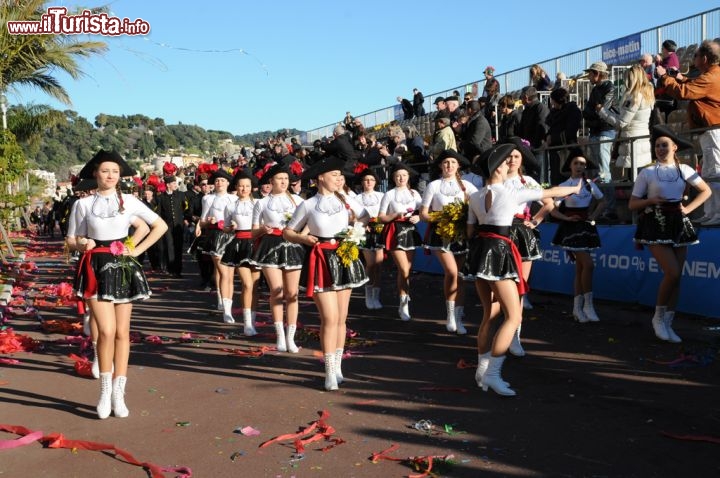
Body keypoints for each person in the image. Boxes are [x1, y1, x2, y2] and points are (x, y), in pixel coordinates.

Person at [466, 144, 582, 396]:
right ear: (496, 169)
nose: (508, 164)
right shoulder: (510, 193)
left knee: (488, 314)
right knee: (513, 316)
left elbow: (469, 231)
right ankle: (493, 374)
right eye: (503, 163)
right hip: (498, 253)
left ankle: (482, 370)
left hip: (479, 252)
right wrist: (574, 188)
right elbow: (550, 192)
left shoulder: (474, 196)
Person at [66, 150, 168, 419]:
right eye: (104, 171)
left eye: (115, 171)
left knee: (123, 332)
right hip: (94, 267)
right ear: (95, 174)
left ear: (120, 176)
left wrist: (134, 249)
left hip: (122, 267)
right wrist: (81, 243)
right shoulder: (83, 205)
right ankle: (103, 391)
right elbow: (70, 239)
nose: (110, 176)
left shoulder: (131, 201)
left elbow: (160, 226)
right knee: (107, 331)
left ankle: (118, 395)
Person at [283, 156, 369, 391]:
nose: (339, 179)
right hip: (320, 258)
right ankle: (329, 370)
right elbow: (288, 232)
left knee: (341, 318)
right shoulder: (308, 204)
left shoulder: (347, 200)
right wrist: (302, 238)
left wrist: (356, 231)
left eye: (341, 176)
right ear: (321, 177)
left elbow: (367, 217)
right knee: (329, 318)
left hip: (344, 256)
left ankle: (338, 366)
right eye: (335, 175)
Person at [628, 126, 711, 343]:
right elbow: (632, 204)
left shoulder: (684, 169)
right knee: (672, 273)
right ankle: (658, 317)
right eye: (657, 145)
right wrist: (651, 201)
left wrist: (688, 209)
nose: (660, 149)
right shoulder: (646, 172)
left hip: (678, 223)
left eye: (665, 145)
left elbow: (706, 191)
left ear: (675, 147)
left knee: (677, 278)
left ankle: (668, 322)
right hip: (655, 223)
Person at [658, 39, 720, 225]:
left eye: (696, 55)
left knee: (716, 171)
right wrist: (680, 78)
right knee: (709, 172)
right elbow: (693, 86)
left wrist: (664, 77)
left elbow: (685, 93)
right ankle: (711, 212)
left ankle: (717, 213)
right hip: (709, 130)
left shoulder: (711, 77)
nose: (694, 59)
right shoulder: (711, 75)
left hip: (713, 130)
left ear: (705, 58)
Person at [502, 139, 553, 352]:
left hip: (522, 235)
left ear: (522, 159)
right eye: (509, 156)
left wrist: (536, 220)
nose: (512, 160)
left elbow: (550, 203)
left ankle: (515, 336)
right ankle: (501, 330)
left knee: (520, 285)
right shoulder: (496, 180)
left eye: (516, 156)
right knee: (501, 285)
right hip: (500, 235)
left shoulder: (528, 181)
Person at [420, 150, 478, 334]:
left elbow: (480, 205)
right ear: (440, 166)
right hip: (440, 233)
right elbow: (423, 214)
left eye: (453, 162)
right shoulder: (434, 185)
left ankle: (458, 316)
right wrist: (441, 218)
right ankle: (450, 314)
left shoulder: (467, 186)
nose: (449, 165)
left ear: (458, 165)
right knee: (452, 272)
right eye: (446, 162)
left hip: (461, 234)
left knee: (460, 276)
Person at [251, 163, 305, 352]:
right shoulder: (262, 202)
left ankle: (291, 337)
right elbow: (252, 232)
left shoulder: (297, 200)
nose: (283, 182)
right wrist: (261, 230)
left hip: (292, 245)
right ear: (271, 181)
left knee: (292, 293)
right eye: (279, 178)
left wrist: (300, 234)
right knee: (277, 291)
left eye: (286, 179)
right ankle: (280, 335)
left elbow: (307, 222)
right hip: (270, 246)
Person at [550, 149, 606, 323]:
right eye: (576, 163)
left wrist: (593, 216)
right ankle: (588, 306)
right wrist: (566, 217)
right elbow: (552, 208)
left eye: (582, 164)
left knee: (582, 268)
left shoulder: (589, 184)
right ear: (570, 166)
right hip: (571, 229)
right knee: (588, 265)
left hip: (586, 226)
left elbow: (602, 201)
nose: (580, 166)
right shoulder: (565, 185)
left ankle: (578, 308)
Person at [378, 163, 423, 321]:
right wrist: (394, 215)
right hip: (395, 231)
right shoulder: (389, 194)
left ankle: (405, 294)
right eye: (398, 176)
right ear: (393, 178)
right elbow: (381, 217)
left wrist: (418, 217)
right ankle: (403, 306)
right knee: (403, 269)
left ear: (408, 177)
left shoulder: (414, 193)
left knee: (408, 270)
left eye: (404, 175)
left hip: (410, 231)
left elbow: (422, 212)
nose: (401, 178)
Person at [220, 170, 261, 336]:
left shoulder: (259, 203)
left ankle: (252, 319)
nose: (244, 189)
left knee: (256, 287)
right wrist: (230, 228)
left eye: (247, 186)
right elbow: (226, 227)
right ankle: (247, 324)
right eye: (241, 186)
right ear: (236, 187)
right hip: (239, 244)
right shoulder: (230, 206)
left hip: (256, 243)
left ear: (252, 188)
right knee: (247, 284)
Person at [597, 64, 655, 178]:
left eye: (626, 78)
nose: (624, 81)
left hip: (632, 143)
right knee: (640, 180)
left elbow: (622, 123)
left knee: (635, 182)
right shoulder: (646, 93)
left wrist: (603, 112)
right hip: (640, 140)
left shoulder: (634, 96)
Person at [198, 169, 237, 320]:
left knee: (230, 273)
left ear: (228, 183)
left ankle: (227, 303)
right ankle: (223, 301)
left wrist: (235, 223)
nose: (219, 183)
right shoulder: (208, 199)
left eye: (222, 180)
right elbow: (202, 220)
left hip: (231, 236)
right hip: (215, 236)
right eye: (217, 181)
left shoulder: (234, 199)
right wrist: (208, 221)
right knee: (222, 270)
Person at [581, 61, 616, 218]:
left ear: (597, 73)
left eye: (590, 73)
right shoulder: (595, 89)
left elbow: (603, 111)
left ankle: (609, 208)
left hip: (605, 131)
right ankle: (602, 207)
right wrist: (594, 114)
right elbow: (588, 111)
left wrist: (594, 114)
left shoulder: (610, 88)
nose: (589, 76)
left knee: (604, 172)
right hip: (595, 132)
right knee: (597, 171)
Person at [357, 170, 385, 310]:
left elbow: (385, 212)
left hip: (379, 232)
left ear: (375, 182)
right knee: (371, 263)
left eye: (371, 180)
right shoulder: (357, 198)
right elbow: (353, 216)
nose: (368, 182)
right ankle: (368, 293)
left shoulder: (381, 196)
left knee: (379, 265)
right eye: (366, 180)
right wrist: (363, 225)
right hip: (365, 233)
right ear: (362, 182)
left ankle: (376, 295)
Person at [546, 87, 582, 185]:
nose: (552, 103)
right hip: (555, 150)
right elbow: (551, 128)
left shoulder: (573, 111)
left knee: (567, 180)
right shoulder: (554, 113)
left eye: (553, 100)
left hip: (567, 149)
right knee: (556, 181)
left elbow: (570, 131)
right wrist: (548, 136)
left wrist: (553, 138)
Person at [156, 175, 188, 277]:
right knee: (169, 247)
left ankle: (178, 270)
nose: (176, 185)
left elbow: (185, 208)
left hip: (178, 225)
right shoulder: (161, 197)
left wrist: (185, 219)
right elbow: (159, 212)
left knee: (178, 247)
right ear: (168, 185)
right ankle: (171, 269)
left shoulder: (180, 195)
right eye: (174, 183)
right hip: (167, 226)